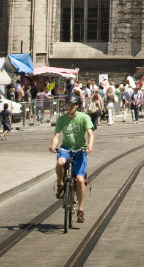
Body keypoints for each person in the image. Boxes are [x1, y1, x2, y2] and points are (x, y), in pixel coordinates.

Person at [50, 96, 95, 224]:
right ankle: (60, 184)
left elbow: (90, 134)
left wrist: (90, 146)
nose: (70, 107)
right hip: (66, 149)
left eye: (72, 105)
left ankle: (80, 210)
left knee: (80, 180)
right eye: (68, 105)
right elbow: (56, 135)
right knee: (60, 162)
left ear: (77, 106)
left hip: (80, 151)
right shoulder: (62, 119)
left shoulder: (83, 117)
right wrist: (53, 145)